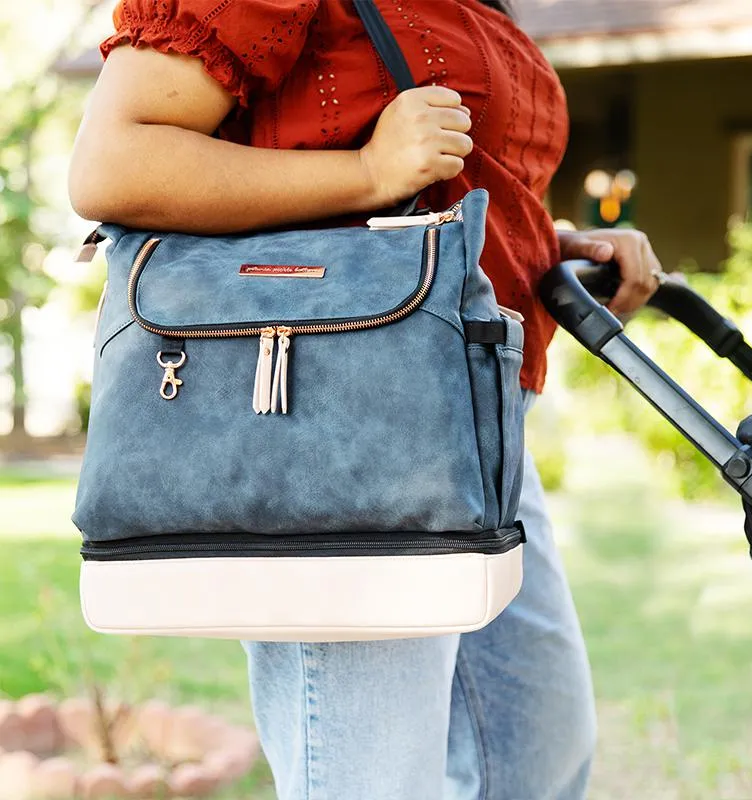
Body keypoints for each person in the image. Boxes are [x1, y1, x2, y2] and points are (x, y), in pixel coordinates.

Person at [69, 1, 664, 797]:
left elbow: (413, 188)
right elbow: (113, 162)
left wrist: (548, 242)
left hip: (476, 423)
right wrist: (369, 173)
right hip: (339, 420)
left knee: (534, 756)